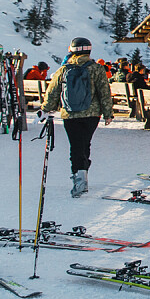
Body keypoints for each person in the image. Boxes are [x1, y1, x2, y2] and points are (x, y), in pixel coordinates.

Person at [41, 37, 113, 198]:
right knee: (84, 144)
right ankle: (83, 171)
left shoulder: (63, 69)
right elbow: (104, 92)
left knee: (76, 146)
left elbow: (52, 92)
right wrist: (108, 114)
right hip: (91, 114)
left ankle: (79, 177)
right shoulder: (96, 68)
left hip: (70, 114)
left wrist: (46, 109)